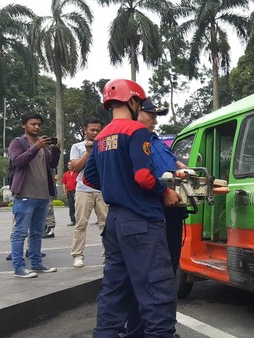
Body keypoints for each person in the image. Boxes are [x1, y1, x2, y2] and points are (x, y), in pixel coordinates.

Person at [83, 79, 181, 337]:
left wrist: (116, 181)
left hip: (114, 222)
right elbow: (143, 176)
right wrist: (165, 192)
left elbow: (89, 177)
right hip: (141, 221)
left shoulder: (102, 136)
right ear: (132, 101)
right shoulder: (137, 131)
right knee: (157, 290)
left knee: (114, 291)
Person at [138, 98, 188, 273]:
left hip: (172, 205)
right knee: (156, 263)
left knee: (171, 258)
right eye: (151, 115)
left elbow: (167, 160)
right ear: (136, 112)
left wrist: (178, 163)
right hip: (154, 206)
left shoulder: (155, 139)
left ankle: (168, 297)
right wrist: (163, 191)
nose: (155, 120)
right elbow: (142, 175)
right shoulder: (134, 139)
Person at [8, 112, 60, 278]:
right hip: (24, 195)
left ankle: (36, 263)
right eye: (33, 124)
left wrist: (56, 150)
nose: (36, 127)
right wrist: (35, 147)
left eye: (38, 124)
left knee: (37, 233)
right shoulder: (17, 143)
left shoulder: (43, 146)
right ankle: (18, 268)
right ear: (24, 125)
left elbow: (51, 164)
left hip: (43, 196)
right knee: (20, 233)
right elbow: (17, 162)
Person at [69, 118, 108, 268]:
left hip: (102, 190)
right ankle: (77, 255)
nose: (95, 132)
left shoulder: (105, 145)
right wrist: (88, 152)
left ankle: (108, 254)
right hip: (83, 190)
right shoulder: (77, 146)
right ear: (85, 130)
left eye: (98, 130)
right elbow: (75, 168)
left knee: (106, 224)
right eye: (92, 130)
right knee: (81, 223)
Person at [61, 162, 78, 226]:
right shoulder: (65, 174)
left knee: (78, 206)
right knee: (71, 206)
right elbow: (64, 183)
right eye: (68, 165)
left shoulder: (77, 173)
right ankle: (73, 220)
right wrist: (64, 192)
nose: (70, 166)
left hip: (76, 191)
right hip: (69, 191)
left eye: (71, 165)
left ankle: (78, 220)